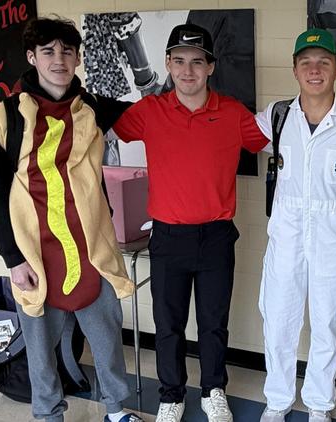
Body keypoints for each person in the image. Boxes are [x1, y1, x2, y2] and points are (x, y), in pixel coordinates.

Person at [0, 17, 142, 422]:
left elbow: (153, 116)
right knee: (40, 348)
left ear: (77, 58)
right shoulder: (7, 116)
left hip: (92, 249)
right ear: (33, 57)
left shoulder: (92, 108)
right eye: (49, 51)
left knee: (107, 337)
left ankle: (115, 410)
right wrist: (12, 259)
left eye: (67, 51)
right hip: (36, 253)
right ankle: (48, 414)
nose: (59, 59)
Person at [112, 23, 268, 422]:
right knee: (168, 324)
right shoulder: (148, 112)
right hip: (167, 237)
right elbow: (101, 126)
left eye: (197, 62)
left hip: (216, 236)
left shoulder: (234, 114)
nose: (187, 71)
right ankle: (172, 394)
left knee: (214, 323)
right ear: (167, 64)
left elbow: (276, 138)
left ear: (210, 68)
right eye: (179, 61)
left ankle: (213, 390)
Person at [255, 28, 336, 422]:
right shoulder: (276, 117)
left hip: (333, 237)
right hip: (285, 235)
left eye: (324, 62)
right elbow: (224, 140)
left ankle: (319, 405)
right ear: (295, 69)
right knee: (279, 320)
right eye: (306, 62)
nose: (314, 69)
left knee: (328, 323)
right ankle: (278, 401)